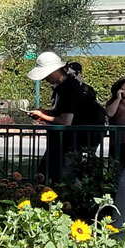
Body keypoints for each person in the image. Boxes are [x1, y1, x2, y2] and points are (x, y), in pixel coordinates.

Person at [27, 52, 104, 182]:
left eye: (47, 74)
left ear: (57, 70)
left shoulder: (70, 89)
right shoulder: (65, 87)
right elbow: (62, 114)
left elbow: (65, 121)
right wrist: (44, 113)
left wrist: (42, 115)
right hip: (65, 143)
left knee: (61, 180)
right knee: (48, 177)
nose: (45, 78)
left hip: (71, 145)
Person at [107, 78, 125, 228]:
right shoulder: (113, 102)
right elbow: (110, 113)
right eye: (124, 89)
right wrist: (118, 98)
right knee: (117, 176)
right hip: (118, 144)